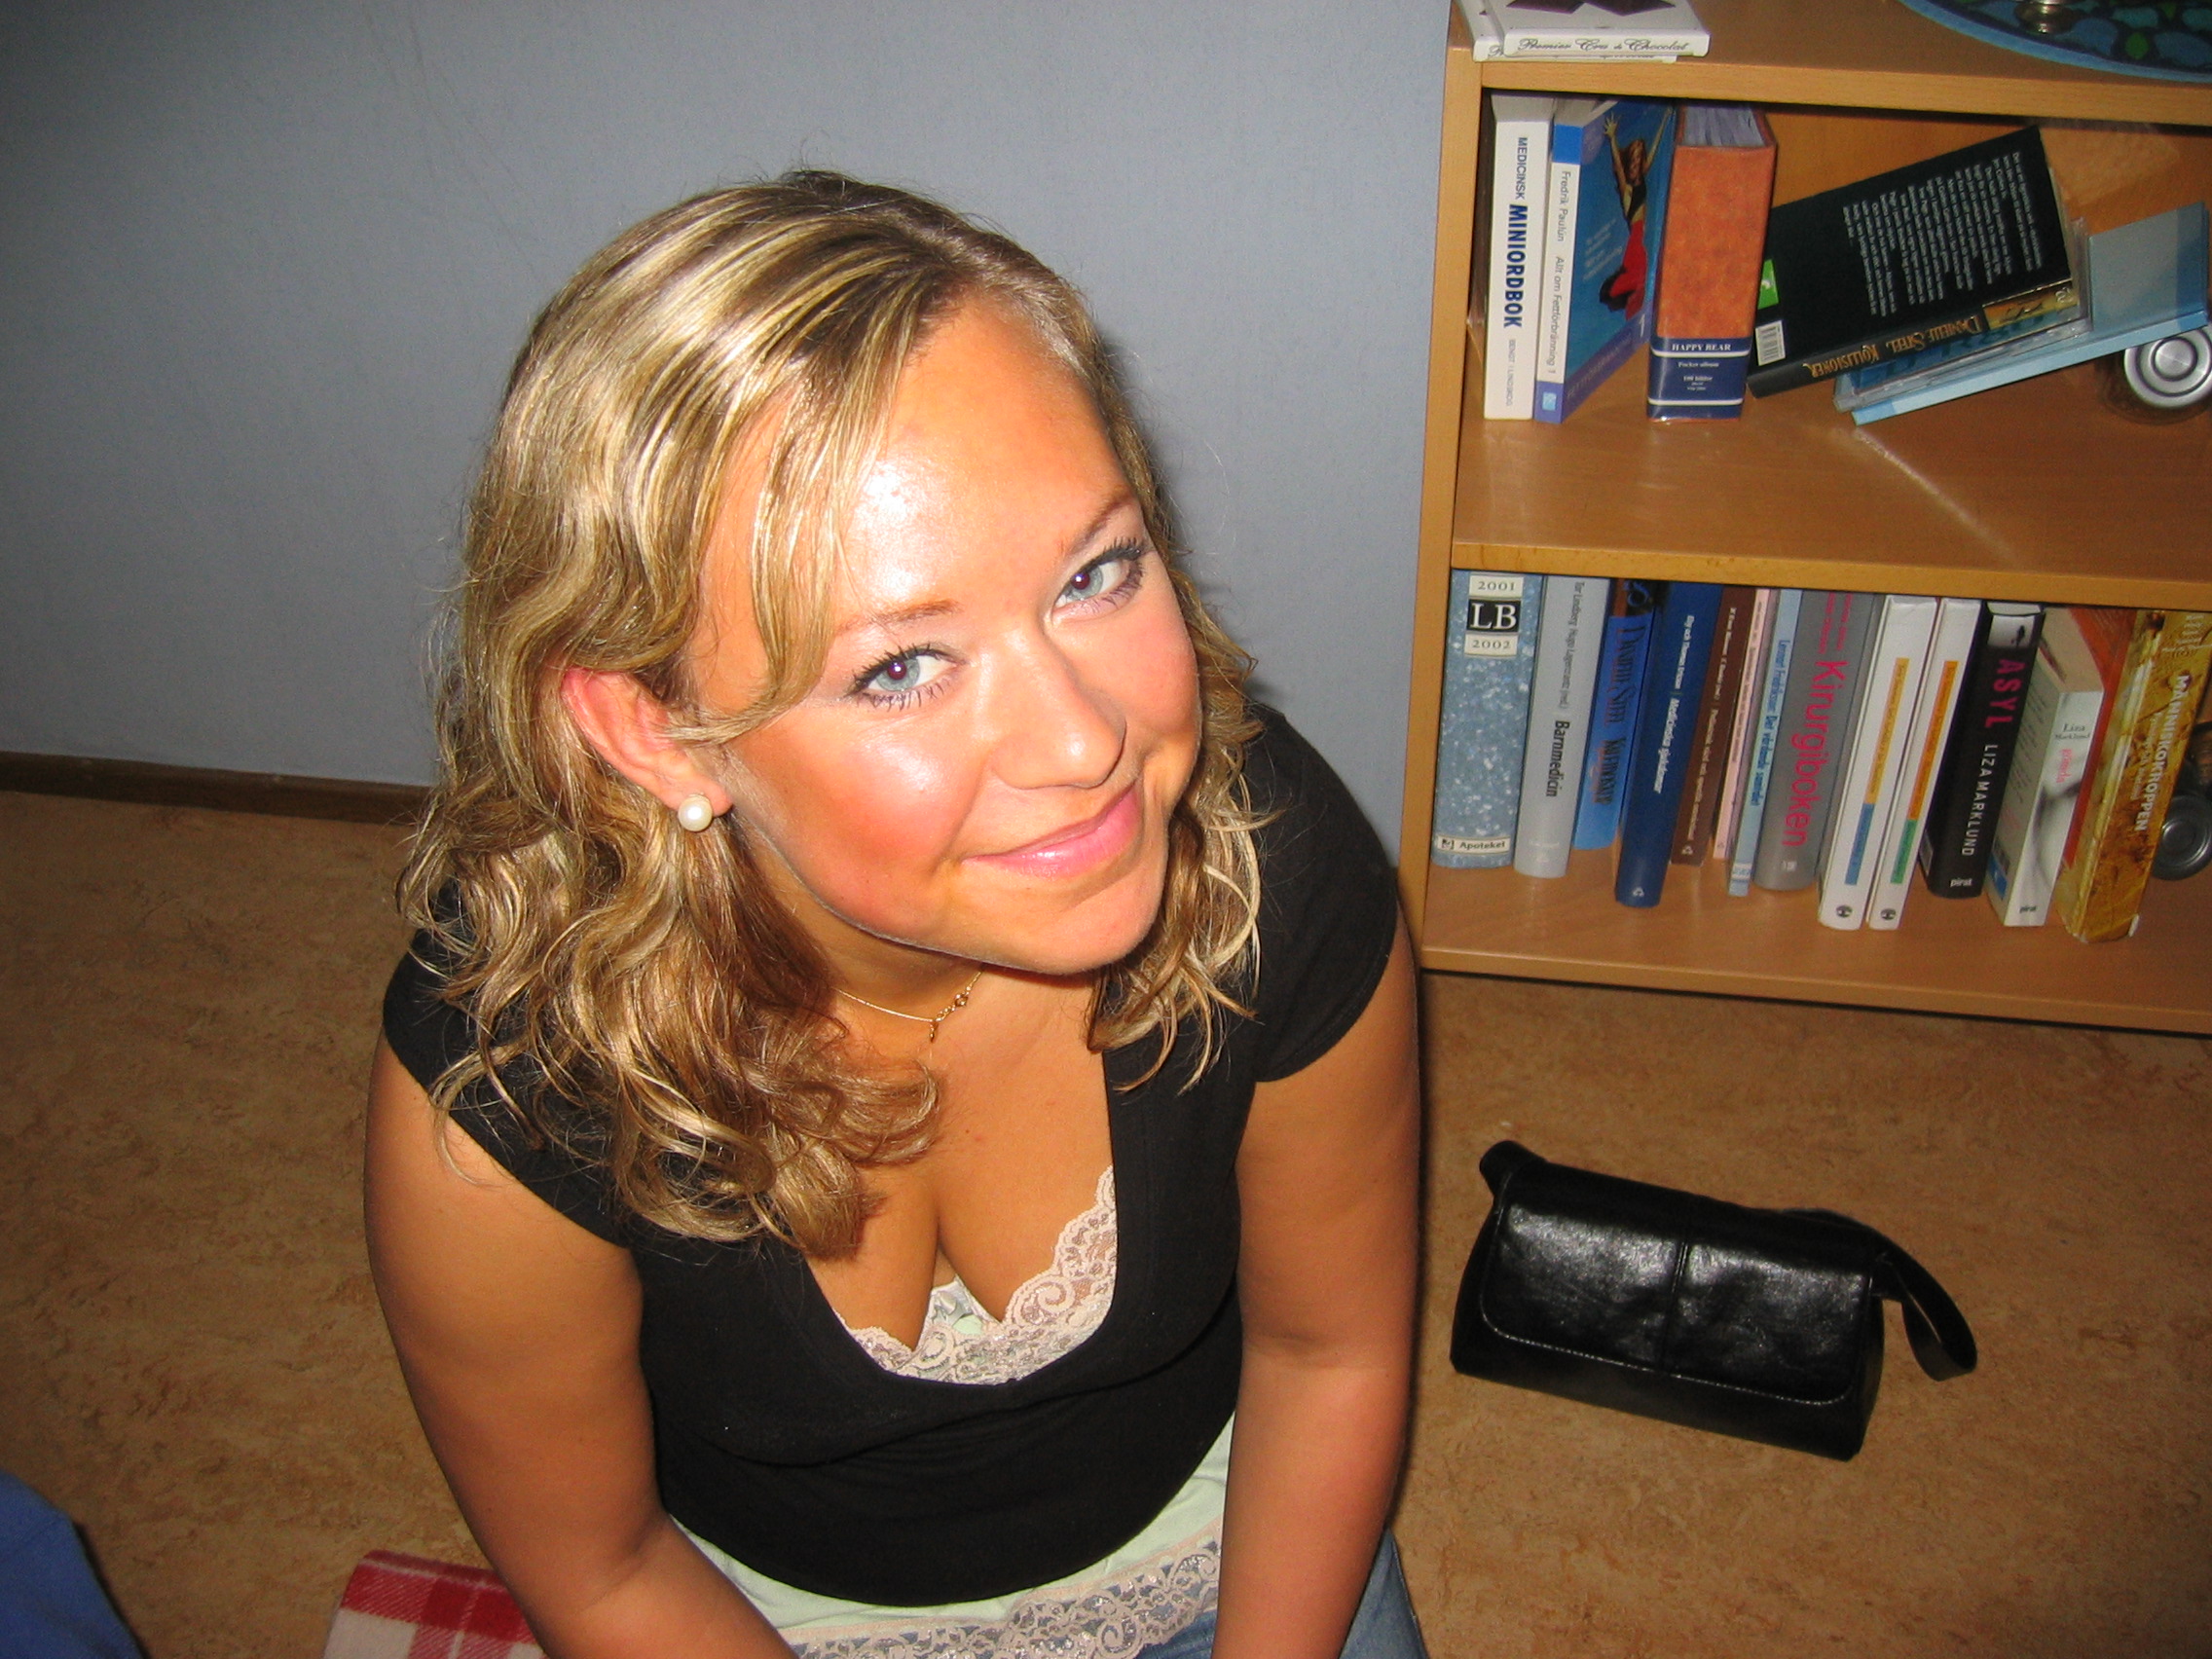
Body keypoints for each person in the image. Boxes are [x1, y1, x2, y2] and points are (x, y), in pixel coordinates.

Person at [366, 170, 1422, 1659]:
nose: (1086, 742)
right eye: (902, 667)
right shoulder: (513, 1085)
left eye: (1096, 573)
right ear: (658, 734)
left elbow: (1328, 1355)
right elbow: (601, 1571)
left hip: (1229, 1542)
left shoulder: (1273, 861)